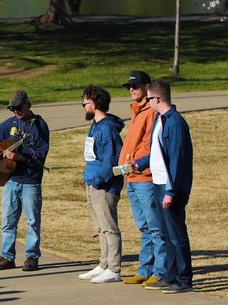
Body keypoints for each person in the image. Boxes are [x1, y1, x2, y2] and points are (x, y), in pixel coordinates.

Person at [134, 80, 193, 293]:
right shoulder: (160, 119)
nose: (147, 102)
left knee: (176, 234)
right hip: (158, 184)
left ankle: (184, 279)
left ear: (157, 99)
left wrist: (171, 191)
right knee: (165, 234)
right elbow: (158, 153)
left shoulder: (175, 123)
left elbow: (176, 160)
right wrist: (139, 163)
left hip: (171, 188)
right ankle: (169, 275)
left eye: (149, 99)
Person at [0, 90, 49, 272]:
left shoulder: (40, 125)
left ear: (27, 105)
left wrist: (21, 157)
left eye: (19, 108)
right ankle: (7, 257)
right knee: (8, 221)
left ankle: (31, 257)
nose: (16, 112)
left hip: (31, 180)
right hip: (11, 180)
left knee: (32, 221)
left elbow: (42, 154)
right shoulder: (12, 123)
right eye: (12, 109)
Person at [119, 71, 168, 287]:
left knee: (155, 226)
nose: (131, 89)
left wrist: (135, 161)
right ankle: (145, 269)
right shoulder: (136, 110)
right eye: (129, 86)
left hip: (145, 177)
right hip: (131, 177)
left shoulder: (151, 111)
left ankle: (161, 271)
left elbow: (151, 144)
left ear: (147, 88)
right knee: (144, 227)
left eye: (136, 86)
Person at [78, 85, 124, 283]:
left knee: (109, 226)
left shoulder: (107, 128)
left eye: (85, 102)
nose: (83, 105)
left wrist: (99, 180)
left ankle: (114, 268)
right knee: (100, 227)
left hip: (103, 185)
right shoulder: (96, 125)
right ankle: (103, 263)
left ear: (94, 103)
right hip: (92, 180)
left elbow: (112, 159)